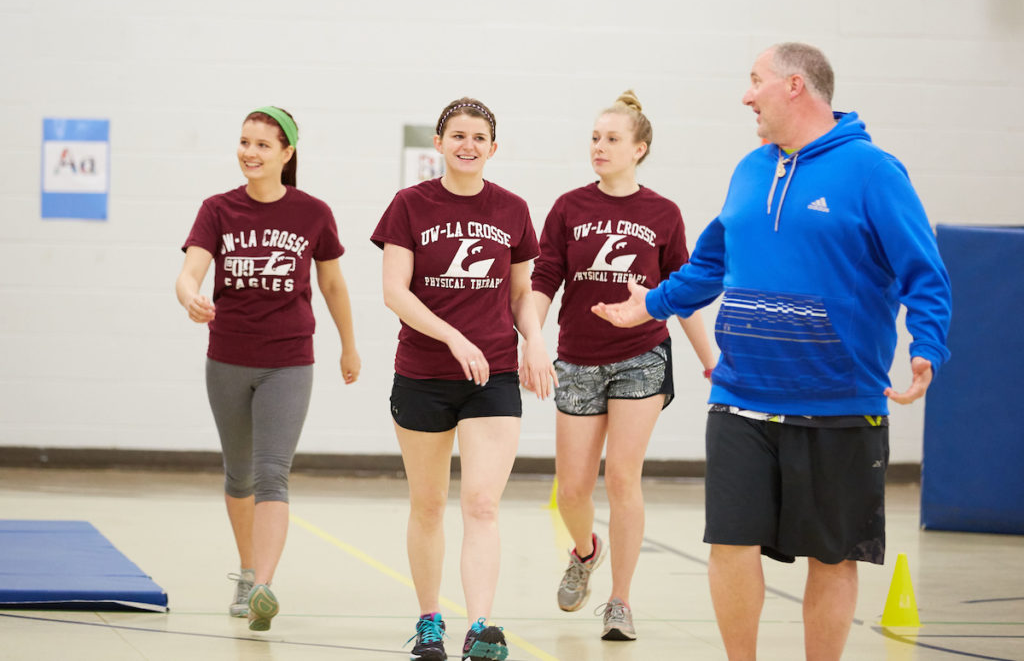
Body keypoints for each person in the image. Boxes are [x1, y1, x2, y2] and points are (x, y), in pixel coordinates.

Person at [593, 43, 952, 660]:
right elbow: (710, 262)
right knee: (730, 545)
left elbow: (925, 272)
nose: (745, 95)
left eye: (754, 81)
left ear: (794, 86)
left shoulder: (873, 171)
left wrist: (928, 346)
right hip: (740, 398)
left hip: (840, 403)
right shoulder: (751, 169)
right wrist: (650, 305)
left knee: (833, 557)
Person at [372, 97, 556, 661]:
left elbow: (522, 293)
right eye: (458, 135)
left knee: (481, 504)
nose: (468, 145)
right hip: (423, 374)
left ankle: (480, 627)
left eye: (479, 137)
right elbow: (394, 292)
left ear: (492, 148)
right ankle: (430, 620)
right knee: (428, 505)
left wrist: (535, 341)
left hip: (494, 375)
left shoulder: (513, 210)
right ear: (440, 142)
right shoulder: (409, 205)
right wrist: (453, 336)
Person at [530, 91, 716, 641]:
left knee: (623, 478)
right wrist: (531, 342)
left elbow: (682, 292)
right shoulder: (568, 207)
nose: (599, 147)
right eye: (594, 137)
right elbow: (544, 280)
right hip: (578, 359)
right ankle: (585, 553)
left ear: (639, 149)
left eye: (612, 139)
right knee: (572, 489)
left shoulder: (662, 214)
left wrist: (712, 363)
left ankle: (620, 601)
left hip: (641, 356)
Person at [175, 106, 360, 632]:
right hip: (228, 358)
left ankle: (263, 587)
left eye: (261, 144)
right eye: (243, 142)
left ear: (286, 153)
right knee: (240, 474)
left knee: (273, 473)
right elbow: (189, 272)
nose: (249, 153)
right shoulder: (217, 209)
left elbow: (332, 285)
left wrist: (349, 345)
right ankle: (248, 567)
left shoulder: (313, 213)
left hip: (289, 361)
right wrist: (190, 298)